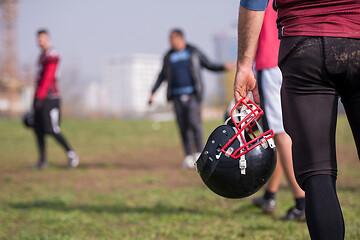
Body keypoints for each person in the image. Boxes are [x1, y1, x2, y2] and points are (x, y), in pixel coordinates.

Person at [234, 0, 360, 239]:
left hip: (305, 46)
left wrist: (243, 64)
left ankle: (283, 197)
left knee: (317, 171)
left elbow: (254, 2)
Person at [251, 0, 305, 221]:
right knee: (283, 131)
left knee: (280, 134)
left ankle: (301, 203)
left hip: (269, 64)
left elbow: (251, 26)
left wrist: (246, 69)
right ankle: (270, 195)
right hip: (291, 59)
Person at [149, 28, 233, 169]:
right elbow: (162, 75)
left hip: (193, 95)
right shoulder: (168, 56)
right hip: (176, 97)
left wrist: (223, 67)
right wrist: (152, 92)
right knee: (183, 126)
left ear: (181, 38)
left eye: (172, 38)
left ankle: (199, 154)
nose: (170, 42)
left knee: (195, 124)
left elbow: (208, 64)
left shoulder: (193, 52)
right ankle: (188, 156)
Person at [32, 29, 79, 169]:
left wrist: (40, 96)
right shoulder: (41, 56)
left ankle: (71, 154)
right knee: (38, 129)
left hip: (50, 98)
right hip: (40, 96)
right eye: (38, 39)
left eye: (42, 39)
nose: (40, 42)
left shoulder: (52, 55)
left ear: (48, 39)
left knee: (52, 129)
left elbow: (48, 77)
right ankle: (42, 160)